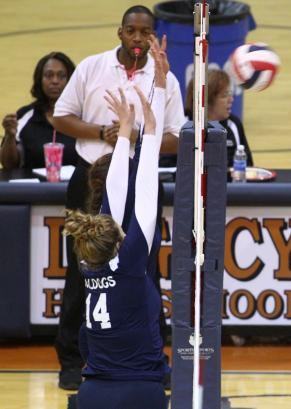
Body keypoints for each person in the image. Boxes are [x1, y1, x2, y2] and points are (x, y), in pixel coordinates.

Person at [52, 4, 186, 390]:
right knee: (82, 270)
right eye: (132, 30)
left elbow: (176, 137)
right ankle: (73, 360)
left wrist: (137, 139)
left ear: (153, 35)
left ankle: (152, 356)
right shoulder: (93, 67)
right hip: (93, 176)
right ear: (120, 32)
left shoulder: (168, 79)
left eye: (146, 32)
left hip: (138, 178)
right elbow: (61, 117)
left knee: (145, 269)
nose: (139, 38)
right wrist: (102, 133)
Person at [1, 52, 77, 171]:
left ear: (71, 80)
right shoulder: (25, 115)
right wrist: (10, 136)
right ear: (39, 80)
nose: (55, 81)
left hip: (75, 188)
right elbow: (9, 165)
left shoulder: (84, 117)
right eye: (49, 75)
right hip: (33, 189)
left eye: (61, 76)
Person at [184, 69, 254, 167]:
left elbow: (248, 167)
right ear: (207, 100)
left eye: (230, 94)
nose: (231, 100)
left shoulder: (234, 124)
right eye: (224, 95)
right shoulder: (183, 123)